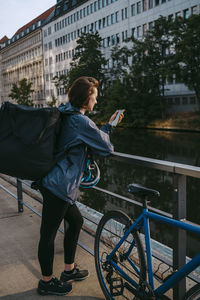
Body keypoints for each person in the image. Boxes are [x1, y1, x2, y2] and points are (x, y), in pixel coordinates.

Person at [37, 76, 124, 296]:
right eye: (94, 97)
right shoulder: (81, 122)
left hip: (55, 182)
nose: (96, 101)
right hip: (59, 186)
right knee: (47, 235)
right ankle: (46, 282)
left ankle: (69, 270)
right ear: (86, 98)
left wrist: (105, 127)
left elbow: (90, 138)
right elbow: (106, 148)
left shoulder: (68, 113)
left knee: (76, 221)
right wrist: (110, 128)